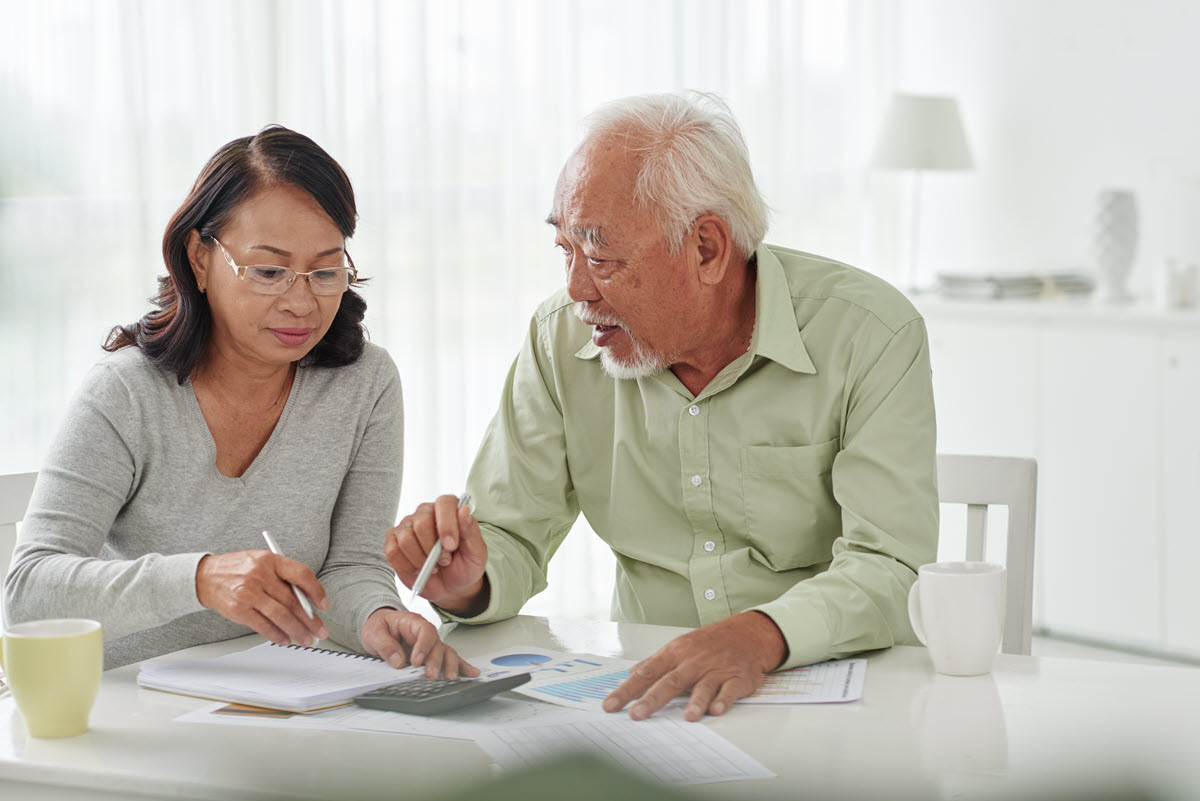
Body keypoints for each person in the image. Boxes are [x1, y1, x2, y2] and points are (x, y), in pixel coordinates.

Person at [385, 92, 937, 719]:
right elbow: (510, 531)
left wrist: (760, 635)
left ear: (707, 248)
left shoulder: (869, 333)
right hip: (653, 697)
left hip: (840, 693)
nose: (576, 289)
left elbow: (890, 565)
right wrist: (469, 583)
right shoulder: (558, 338)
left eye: (601, 258)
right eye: (565, 249)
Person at [4, 126, 476, 677]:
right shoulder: (126, 392)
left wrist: (377, 616)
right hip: (120, 701)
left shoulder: (364, 384)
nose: (302, 303)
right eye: (270, 272)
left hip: (268, 695)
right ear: (200, 260)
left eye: (326, 272)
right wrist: (201, 579)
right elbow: (28, 593)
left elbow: (350, 567)